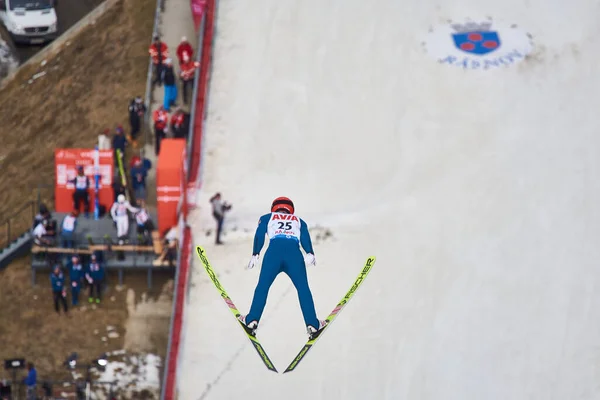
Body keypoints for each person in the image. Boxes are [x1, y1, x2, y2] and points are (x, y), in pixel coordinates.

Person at [237, 197, 327, 337]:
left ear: (274, 207)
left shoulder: (267, 217)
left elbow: (260, 233)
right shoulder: (299, 220)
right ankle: (312, 324)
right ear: (291, 209)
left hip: (274, 252)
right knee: (303, 288)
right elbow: (305, 237)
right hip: (294, 253)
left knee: (263, 286)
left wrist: (256, 253)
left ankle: (252, 320)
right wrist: (310, 252)